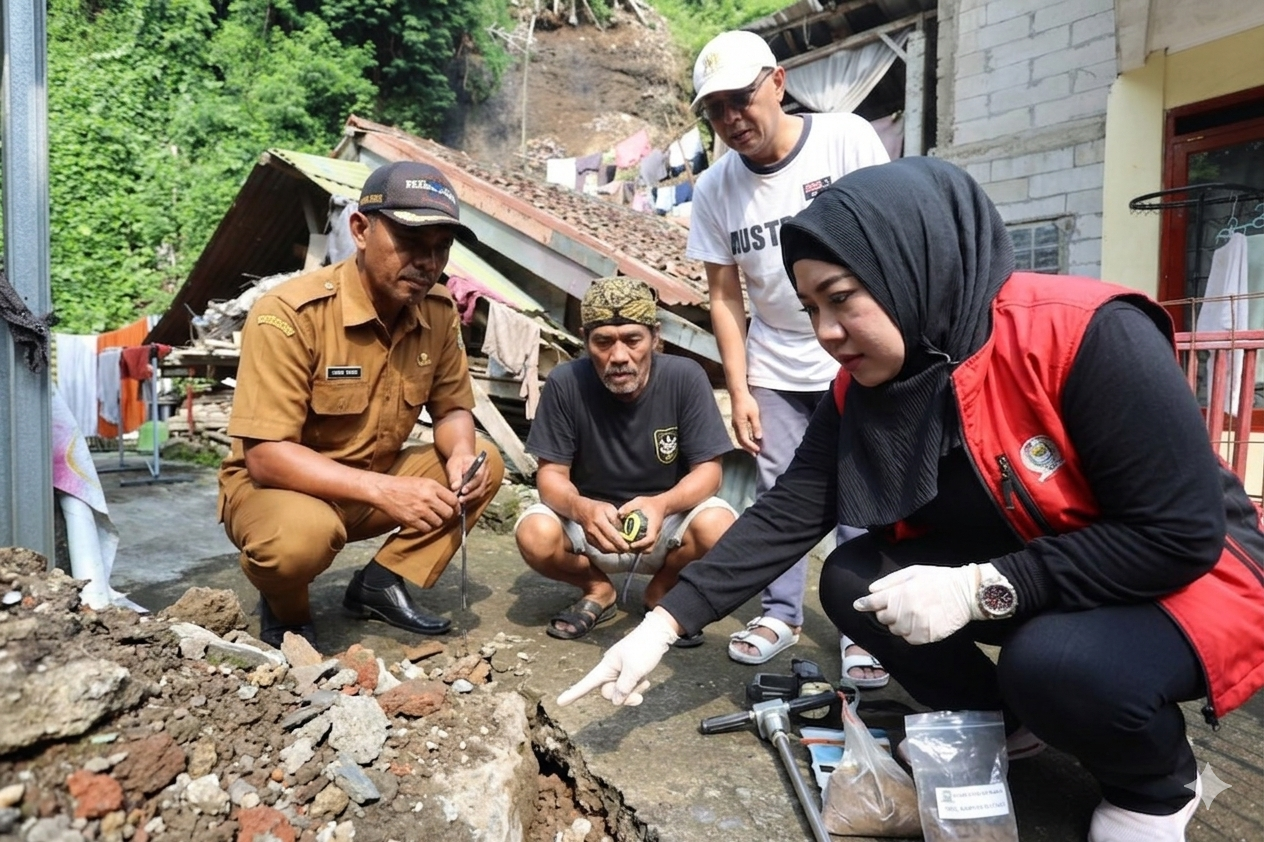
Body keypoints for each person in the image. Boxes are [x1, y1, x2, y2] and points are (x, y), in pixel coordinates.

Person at [558, 157, 1264, 842]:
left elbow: (1178, 533)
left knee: (1052, 662)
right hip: (1041, 551)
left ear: (910, 266)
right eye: (810, 309)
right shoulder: (868, 387)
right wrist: (662, 626)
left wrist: (983, 586)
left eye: (842, 299)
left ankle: (1159, 785)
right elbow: (790, 510)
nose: (827, 334)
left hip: (1189, 572)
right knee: (854, 579)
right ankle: (1004, 721)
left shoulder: (1088, 334)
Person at [218, 161, 505, 649]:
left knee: (485, 462)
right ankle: (288, 610)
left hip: (369, 484)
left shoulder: (438, 313)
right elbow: (265, 457)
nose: (427, 263)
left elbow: (454, 408)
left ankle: (380, 584)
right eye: (411, 243)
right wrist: (384, 491)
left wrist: (459, 454)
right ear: (360, 230)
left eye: (440, 250)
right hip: (283, 491)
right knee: (297, 540)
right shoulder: (290, 314)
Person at [686, 29, 890, 682]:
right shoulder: (716, 189)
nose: (730, 120)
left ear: (777, 83)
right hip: (774, 359)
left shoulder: (845, 140)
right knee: (780, 489)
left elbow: (892, 237)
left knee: (862, 486)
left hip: (853, 351)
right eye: (714, 110)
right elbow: (724, 297)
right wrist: (740, 389)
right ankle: (782, 612)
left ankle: (862, 623)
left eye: (739, 100)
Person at [515, 277, 738, 643]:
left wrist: (661, 505)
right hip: (588, 526)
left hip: (664, 524)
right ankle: (596, 588)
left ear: (655, 336)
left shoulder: (685, 377)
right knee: (534, 535)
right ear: (586, 339)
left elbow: (710, 472)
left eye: (633, 340)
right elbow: (551, 476)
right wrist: (582, 508)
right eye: (603, 342)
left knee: (721, 527)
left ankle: (662, 591)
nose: (618, 356)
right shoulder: (565, 382)